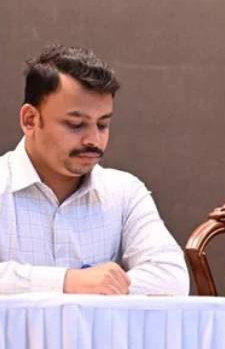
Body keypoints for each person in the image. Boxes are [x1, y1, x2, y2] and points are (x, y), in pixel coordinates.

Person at [0, 45, 189, 295]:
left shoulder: (125, 192)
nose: (94, 140)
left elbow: (171, 277)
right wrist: (68, 282)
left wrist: (103, 285)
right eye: (76, 124)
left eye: (102, 125)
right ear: (30, 120)